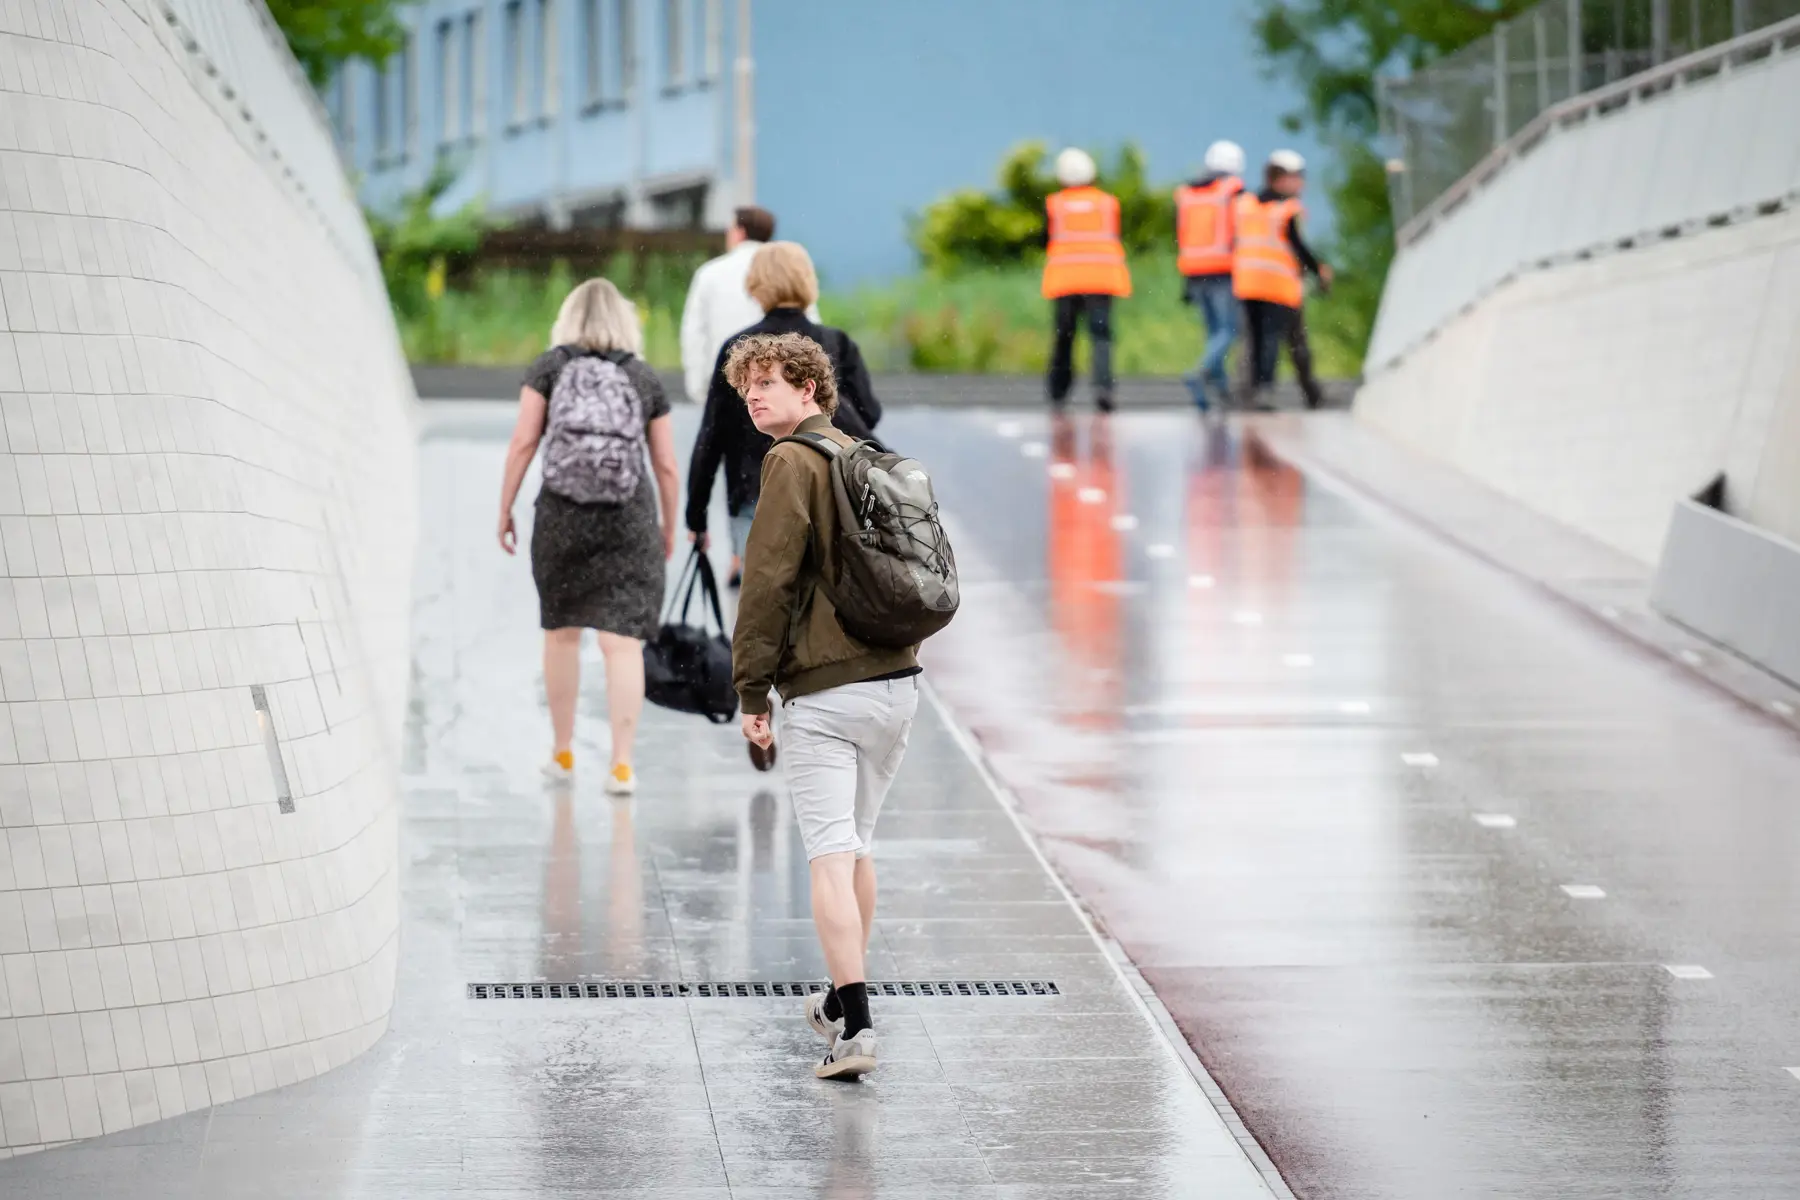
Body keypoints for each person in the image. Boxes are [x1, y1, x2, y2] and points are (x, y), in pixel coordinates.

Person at [728, 332, 921, 1080]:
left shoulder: (790, 462)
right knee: (857, 845)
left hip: (828, 692)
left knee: (829, 856)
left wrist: (751, 690)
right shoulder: (861, 457)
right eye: (747, 385)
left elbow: (767, 583)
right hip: (897, 685)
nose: (754, 395)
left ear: (810, 389)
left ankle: (858, 1029)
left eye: (769, 382)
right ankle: (842, 1003)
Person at [498, 278, 682, 795]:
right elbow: (666, 465)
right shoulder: (643, 377)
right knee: (621, 646)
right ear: (625, 320)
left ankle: (562, 754)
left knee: (560, 634)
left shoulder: (549, 368)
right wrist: (668, 524)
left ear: (569, 317)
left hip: (562, 516)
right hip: (628, 517)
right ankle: (621, 766)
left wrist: (505, 508)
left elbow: (522, 443)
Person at [686, 241, 880, 592]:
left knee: (763, 602)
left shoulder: (739, 350)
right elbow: (870, 413)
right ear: (807, 282)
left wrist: (696, 514)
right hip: (829, 489)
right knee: (824, 598)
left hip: (753, 491)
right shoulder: (835, 342)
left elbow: (711, 436)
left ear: (757, 287)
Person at [678, 206, 819, 405]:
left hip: (726, 379)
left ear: (740, 232)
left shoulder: (710, 272)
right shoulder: (786, 269)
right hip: (784, 381)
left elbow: (694, 332)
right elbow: (809, 324)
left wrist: (699, 387)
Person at [1232, 149, 1333, 411]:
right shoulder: (1287, 209)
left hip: (1248, 283)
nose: (1301, 183)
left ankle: (1255, 391)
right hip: (1278, 286)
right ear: (1282, 178)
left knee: (1256, 339)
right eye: (1298, 177)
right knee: (1277, 340)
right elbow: (1298, 245)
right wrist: (1318, 270)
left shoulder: (1246, 205)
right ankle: (1287, 392)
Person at [1042, 147, 1132, 413]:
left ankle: (1058, 390)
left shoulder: (1055, 204)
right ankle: (1104, 388)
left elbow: (1045, 237)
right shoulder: (1107, 203)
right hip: (1101, 279)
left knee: (1064, 337)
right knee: (1101, 337)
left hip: (1066, 281)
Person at [1175, 140, 1246, 412]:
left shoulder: (1187, 194)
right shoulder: (1232, 191)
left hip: (1193, 271)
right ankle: (1201, 373)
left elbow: (1180, 233)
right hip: (1222, 269)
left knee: (1213, 333)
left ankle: (1219, 391)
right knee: (1229, 330)